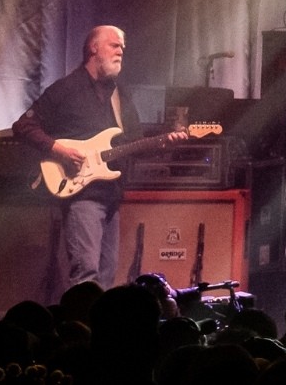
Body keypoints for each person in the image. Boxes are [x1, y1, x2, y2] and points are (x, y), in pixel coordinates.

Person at [12, 25, 183, 293]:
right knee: (86, 274)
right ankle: (80, 319)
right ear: (94, 48)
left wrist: (165, 142)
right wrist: (59, 150)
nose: (121, 52)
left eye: (122, 48)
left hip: (111, 195)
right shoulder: (65, 89)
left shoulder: (120, 95)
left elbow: (134, 143)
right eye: (114, 45)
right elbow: (23, 126)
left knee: (107, 277)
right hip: (82, 196)